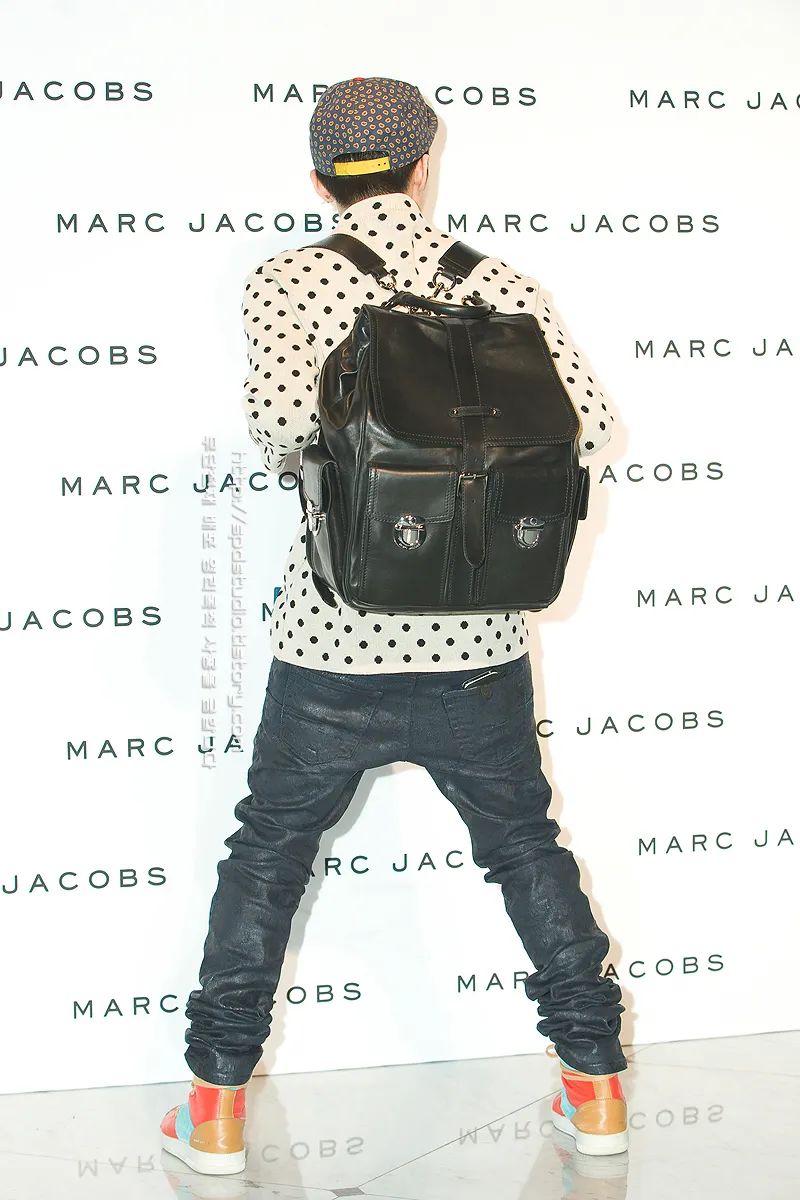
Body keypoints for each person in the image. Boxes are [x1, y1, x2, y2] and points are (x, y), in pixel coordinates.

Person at [159, 76, 629, 1176]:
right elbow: (593, 427)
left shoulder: (288, 278)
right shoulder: (499, 282)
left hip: (335, 637)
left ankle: (215, 1112)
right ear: (424, 166)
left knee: (269, 854)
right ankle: (597, 1090)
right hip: (481, 646)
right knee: (525, 847)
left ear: (320, 180)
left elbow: (283, 427)